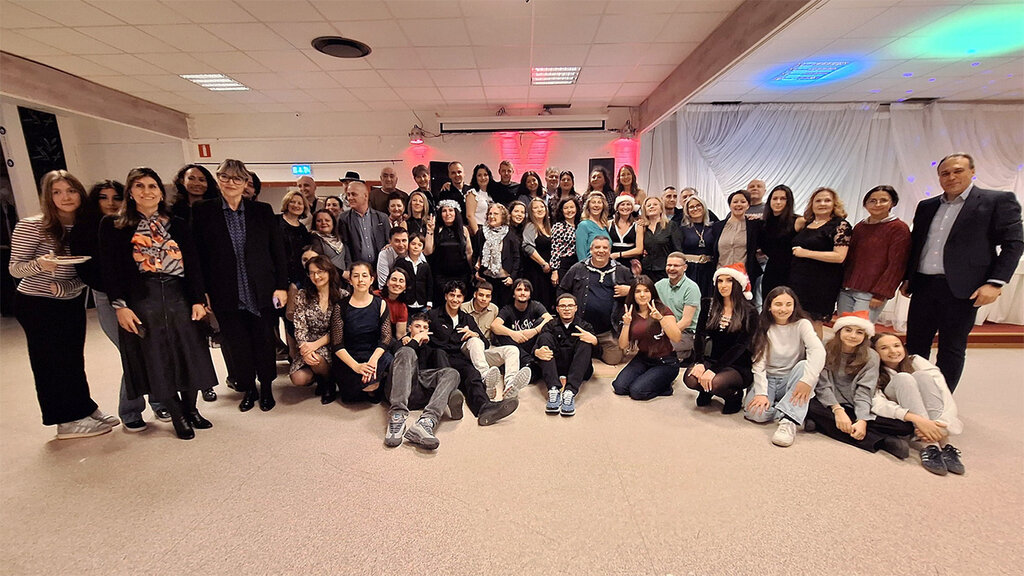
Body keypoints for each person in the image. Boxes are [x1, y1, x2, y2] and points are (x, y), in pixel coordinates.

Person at [99, 167, 218, 440]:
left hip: (178, 293)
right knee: (155, 357)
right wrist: (120, 306)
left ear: (161, 192)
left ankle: (191, 409)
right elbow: (110, 269)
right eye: (139, 186)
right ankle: (177, 414)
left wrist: (198, 300)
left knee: (190, 352)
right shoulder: (114, 225)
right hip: (143, 296)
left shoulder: (178, 223)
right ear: (130, 192)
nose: (147, 192)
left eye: (152, 186)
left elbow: (194, 264)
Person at [902, 153, 1023, 392]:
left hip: (963, 288)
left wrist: (995, 283)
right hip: (924, 285)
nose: (951, 177)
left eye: (958, 171)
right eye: (945, 173)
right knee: (915, 344)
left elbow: (1014, 243)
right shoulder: (927, 206)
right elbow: (917, 244)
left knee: (951, 347)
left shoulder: (996, 201)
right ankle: (912, 392)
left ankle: (941, 399)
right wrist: (908, 277)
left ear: (972, 172)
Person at [11, 170, 117, 439]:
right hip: (37, 302)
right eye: (56, 192)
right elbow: (15, 268)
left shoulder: (86, 225)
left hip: (70, 300)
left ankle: (83, 408)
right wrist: (40, 265)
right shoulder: (33, 226)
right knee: (50, 362)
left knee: (72, 358)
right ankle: (64, 421)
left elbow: (86, 271)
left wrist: (66, 288)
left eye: (70, 191)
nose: (65, 197)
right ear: (48, 197)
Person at [192, 159, 288, 413]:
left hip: (261, 289)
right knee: (237, 345)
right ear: (218, 180)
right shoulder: (203, 211)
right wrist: (201, 292)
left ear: (246, 182)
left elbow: (277, 252)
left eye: (237, 178)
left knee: (264, 341)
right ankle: (249, 390)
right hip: (225, 290)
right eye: (225, 177)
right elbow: (197, 256)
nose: (231, 182)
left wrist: (281, 286)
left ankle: (266, 388)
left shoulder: (262, 211)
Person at [72, 180, 168, 431]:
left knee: (151, 349)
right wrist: (116, 293)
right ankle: (130, 409)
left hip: (141, 296)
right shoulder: (87, 228)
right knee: (130, 351)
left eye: (116, 197)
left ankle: (159, 401)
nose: (111, 202)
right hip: (108, 298)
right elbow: (86, 270)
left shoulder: (131, 224)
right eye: (104, 197)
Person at [804, 311, 914, 458]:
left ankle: (821, 424)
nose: (853, 335)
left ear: (865, 336)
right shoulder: (824, 348)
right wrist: (837, 410)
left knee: (904, 427)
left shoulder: (871, 356)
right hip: (827, 402)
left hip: (854, 405)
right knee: (809, 405)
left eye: (859, 332)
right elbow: (821, 385)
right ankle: (883, 441)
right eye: (848, 330)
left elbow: (865, 390)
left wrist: (862, 420)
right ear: (839, 331)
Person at [427, 280, 520, 426]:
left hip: (459, 356)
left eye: (459, 296)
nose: (455, 299)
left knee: (473, 374)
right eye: (452, 295)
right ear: (446, 296)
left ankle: (485, 408)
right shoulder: (433, 315)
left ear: (463, 298)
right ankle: (451, 396)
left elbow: (485, 343)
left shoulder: (466, 318)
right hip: (440, 357)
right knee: (441, 358)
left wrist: (473, 334)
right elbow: (417, 328)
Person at [743, 286, 826, 447]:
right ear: (769, 306)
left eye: (788, 304)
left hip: (792, 379)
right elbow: (758, 363)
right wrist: (761, 393)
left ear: (794, 306)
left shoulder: (802, 324)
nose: (783, 309)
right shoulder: (763, 325)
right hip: (768, 379)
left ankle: (788, 420)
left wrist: (807, 380)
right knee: (756, 413)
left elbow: (818, 351)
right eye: (778, 304)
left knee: (805, 365)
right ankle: (787, 409)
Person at [871, 333, 964, 475]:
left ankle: (944, 443)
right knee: (904, 378)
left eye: (897, 345)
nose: (893, 351)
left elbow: (943, 394)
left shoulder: (916, 361)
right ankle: (929, 445)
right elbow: (878, 403)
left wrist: (944, 424)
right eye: (884, 348)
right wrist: (918, 420)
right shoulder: (873, 370)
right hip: (904, 414)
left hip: (930, 415)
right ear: (875, 352)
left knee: (922, 376)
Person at [682, 263, 758, 414]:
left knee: (716, 382)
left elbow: (740, 346)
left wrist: (713, 371)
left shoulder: (750, 311)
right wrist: (699, 362)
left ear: (738, 284)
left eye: (729, 280)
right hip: (712, 359)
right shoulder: (709, 304)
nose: (723, 285)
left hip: (737, 365)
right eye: (720, 281)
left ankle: (733, 396)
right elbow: (700, 334)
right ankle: (706, 389)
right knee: (690, 378)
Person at [384, 313, 463, 450]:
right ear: (409, 328)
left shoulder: (430, 346)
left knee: (452, 373)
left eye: (425, 327)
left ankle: (426, 421)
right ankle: (398, 415)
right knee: (406, 352)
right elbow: (400, 361)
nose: (421, 330)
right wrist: (415, 340)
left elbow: (434, 371)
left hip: (420, 389)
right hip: (399, 388)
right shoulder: (399, 343)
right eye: (417, 326)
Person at [838, 185, 911, 323]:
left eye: (883, 200)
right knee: (843, 327)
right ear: (865, 204)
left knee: (860, 329)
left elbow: (897, 265)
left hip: (871, 293)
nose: (877, 204)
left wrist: (881, 294)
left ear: (892, 203)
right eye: (872, 201)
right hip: (847, 289)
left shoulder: (899, 228)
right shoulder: (860, 227)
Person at [559, 236, 634, 366]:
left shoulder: (622, 270)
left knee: (614, 360)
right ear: (591, 250)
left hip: (608, 331)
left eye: (605, 247)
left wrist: (630, 290)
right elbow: (562, 290)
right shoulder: (578, 268)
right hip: (581, 328)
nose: (601, 251)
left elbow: (642, 291)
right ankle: (591, 348)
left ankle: (595, 349)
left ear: (610, 251)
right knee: (569, 358)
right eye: (597, 247)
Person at [788, 187, 852, 337]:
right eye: (818, 201)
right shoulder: (807, 224)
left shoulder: (840, 225)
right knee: (797, 319)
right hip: (798, 279)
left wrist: (806, 253)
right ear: (812, 204)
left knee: (813, 322)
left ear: (834, 204)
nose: (822, 204)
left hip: (821, 282)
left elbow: (839, 256)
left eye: (827, 200)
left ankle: (814, 351)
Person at [330, 262, 393, 404]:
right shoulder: (341, 306)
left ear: (371, 279)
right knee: (353, 397)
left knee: (382, 378)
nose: (360, 280)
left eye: (365, 276)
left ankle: (376, 385)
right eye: (356, 276)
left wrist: (373, 361)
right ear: (350, 280)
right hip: (350, 356)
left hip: (374, 354)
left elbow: (386, 338)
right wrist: (357, 367)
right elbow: (337, 344)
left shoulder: (380, 303)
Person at [611, 275, 683, 400]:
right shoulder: (630, 312)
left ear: (652, 293)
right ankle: (649, 378)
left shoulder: (662, 310)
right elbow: (622, 345)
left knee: (637, 392)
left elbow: (676, 338)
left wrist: (660, 319)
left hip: (665, 361)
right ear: (633, 294)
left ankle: (665, 386)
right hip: (643, 358)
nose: (642, 295)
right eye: (638, 291)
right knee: (619, 387)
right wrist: (626, 324)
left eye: (646, 291)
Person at [288, 255, 344, 404]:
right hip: (307, 343)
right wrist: (305, 348)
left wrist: (315, 345)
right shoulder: (302, 295)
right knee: (298, 378)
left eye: (320, 272)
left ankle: (328, 384)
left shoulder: (342, 295)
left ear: (329, 271)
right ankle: (320, 378)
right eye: (312, 273)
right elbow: (299, 325)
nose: (316, 276)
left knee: (317, 359)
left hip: (332, 343)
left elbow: (340, 329)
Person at [534, 293, 598, 416]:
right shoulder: (550, 325)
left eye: (570, 306)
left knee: (586, 341)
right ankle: (553, 389)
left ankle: (570, 392)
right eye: (563, 306)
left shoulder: (585, 326)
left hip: (579, 369)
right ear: (557, 309)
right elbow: (537, 346)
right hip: (556, 369)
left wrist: (594, 341)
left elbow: (597, 353)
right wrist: (537, 352)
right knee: (544, 337)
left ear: (576, 308)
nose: (567, 309)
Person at [459, 280, 523, 399]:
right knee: (475, 341)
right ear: (475, 294)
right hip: (467, 349)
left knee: (512, 350)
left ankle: (510, 384)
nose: (484, 299)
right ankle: (485, 377)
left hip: (485, 350)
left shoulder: (494, 309)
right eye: (481, 295)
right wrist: (474, 335)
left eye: (487, 296)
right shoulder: (463, 308)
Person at [491, 279, 551, 390]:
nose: (522, 293)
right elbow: (494, 325)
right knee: (500, 332)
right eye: (519, 289)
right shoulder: (508, 309)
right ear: (513, 294)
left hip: (532, 345)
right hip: (515, 346)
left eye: (526, 290)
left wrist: (534, 331)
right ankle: (528, 362)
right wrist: (513, 333)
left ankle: (524, 367)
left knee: (542, 323)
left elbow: (549, 319)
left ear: (530, 294)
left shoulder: (535, 305)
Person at [712, 190, 762, 297]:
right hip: (721, 274)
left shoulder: (754, 225)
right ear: (730, 205)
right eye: (735, 202)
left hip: (744, 275)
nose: (738, 204)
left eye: (743, 202)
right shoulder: (717, 226)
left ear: (748, 205)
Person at [655, 253, 700, 363]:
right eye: (669, 265)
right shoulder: (660, 285)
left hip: (686, 332)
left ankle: (687, 353)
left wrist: (667, 333)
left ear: (685, 267)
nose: (671, 268)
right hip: (664, 330)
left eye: (676, 265)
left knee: (659, 350)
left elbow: (686, 321)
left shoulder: (691, 288)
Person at [474, 203, 520, 309]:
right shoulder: (481, 233)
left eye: (495, 214)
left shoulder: (510, 233)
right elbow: (475, 254)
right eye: (490, 214)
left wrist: (512, 277)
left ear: (503, 216)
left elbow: (516, 258)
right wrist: (475, 272)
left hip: (504, 281)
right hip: (486, 279)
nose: (492, 216)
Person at [426, 200, 473, 301]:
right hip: (441, 276)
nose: (448, 213)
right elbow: (428, 251)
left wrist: (472, 271)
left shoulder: (464, 230)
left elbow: (469, 252)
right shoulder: (436, 229)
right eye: (444, 211)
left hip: (462, 275)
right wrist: (430, 231)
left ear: (456, 212)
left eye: (450, 210)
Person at [758, 185, 798, 299]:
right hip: (771, 271)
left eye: (783, 198)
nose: (778, 202)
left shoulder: (797, 222)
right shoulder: (764, 224)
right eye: (775, 198)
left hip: (791, 273)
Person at [337, 180, 389, 269]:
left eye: (354, 194)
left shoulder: (382, 217)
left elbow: (388, 243)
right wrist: (350, 268)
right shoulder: (344, 219)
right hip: (357, 269)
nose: (350, 198)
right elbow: (345, 246)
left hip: (379, 267)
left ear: (365, 196)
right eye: (348, 195)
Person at [679, 195, 718, 298]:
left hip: (709, 270)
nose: (695, 208)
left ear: (704, 207)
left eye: (698, 205)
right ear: (687, 211)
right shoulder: (682, 229)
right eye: (691, 207)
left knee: (708, 298)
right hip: (690, 270)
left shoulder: (714, 227)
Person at [639, 196, 682, 282]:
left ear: (661, 209)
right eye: (648, 205)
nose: (652, 207)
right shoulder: (642, 227)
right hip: (646, 270)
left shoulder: (671, 225)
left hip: (665, 270)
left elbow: (678, 249)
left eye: (655, 204)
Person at [522, 197, 554, 309]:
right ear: (531, 211)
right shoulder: (531, 226)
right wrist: (543, 263)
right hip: (536, 271)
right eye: (535, 208)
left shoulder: (548, 227)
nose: (540, 209)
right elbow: (527, 247)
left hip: (548, 272)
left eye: (542, 207)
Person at [309, 208, 351, 285]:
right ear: (315, 223)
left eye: (327, 220)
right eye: (319, 221)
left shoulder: (339, 238)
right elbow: (320, 262)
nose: (323, 223)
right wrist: (342, 273)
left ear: (333, 222)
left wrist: (349, 272)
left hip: (343, 282)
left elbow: (347, 258)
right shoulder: (314, 239)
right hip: (326, 282)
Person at [394, 232, 432, 317]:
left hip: (422, 303)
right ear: (408, 245)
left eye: (419, 245)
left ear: (423, 249)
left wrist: (429, 302)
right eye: (413, 244)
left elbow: (429, 284)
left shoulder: (425, 265)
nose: (416, 247)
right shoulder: (401, 263)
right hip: (405, 303)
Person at [609, 195, 644, 276]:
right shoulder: (609, 224)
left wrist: (619, 254)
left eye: (628, 204)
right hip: (612, 263)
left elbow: (639, 249)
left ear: (632, 208)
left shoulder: (638, 225)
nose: (625, 207)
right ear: (617, 207)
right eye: (622, 204)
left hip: (631, 264)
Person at [549, 197, 580, 288]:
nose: (569, 210)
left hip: (578, 262)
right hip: (564, 264)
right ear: (561, 211)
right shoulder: (559, 226)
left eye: (572, 207)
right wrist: (555, 270)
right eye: (566, 208)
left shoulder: (581, 225)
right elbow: (555, 249)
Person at [576, 191, 612, 263]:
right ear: (588, 206)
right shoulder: (583, 225)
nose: (596, 205)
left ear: (603, 206)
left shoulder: (605, 226)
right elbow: (581, 252)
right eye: (593, 202)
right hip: (589, 266)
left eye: (599, 202)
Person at [376, 267, 410, 340]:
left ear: (405, 287)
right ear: (387, 282)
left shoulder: (402, 307)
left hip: (387, 339)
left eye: (401, 281)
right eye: (394, 279)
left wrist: (405, 339)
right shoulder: (374, 296)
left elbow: (400, 335)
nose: (397, 284)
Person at [464, 163, 494, 237]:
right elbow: (469, 216)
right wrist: (478, 235)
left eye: (485, 175)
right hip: (478, 229)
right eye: (479, 175)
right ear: (475, 178)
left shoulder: (491, 195)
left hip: (490, 230)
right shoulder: (473, 193)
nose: (483, 178)